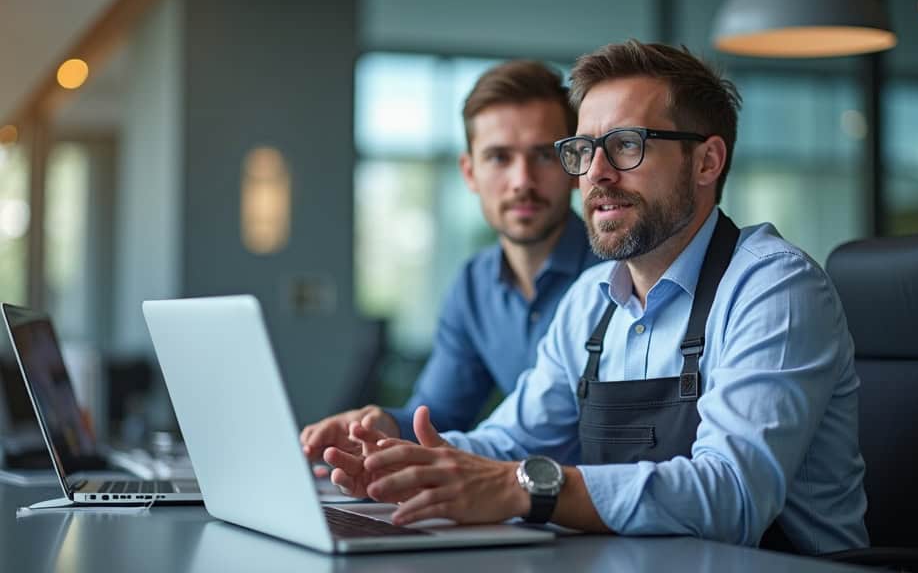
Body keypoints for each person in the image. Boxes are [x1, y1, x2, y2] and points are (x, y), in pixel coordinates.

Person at [324, 41, 869, 554]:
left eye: (627, 145)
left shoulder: (775, 287)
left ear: (706, 162)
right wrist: (409, 466)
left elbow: (731, 495)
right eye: (583, 150)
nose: (596, 174)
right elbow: (511, 442)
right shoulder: (591, 300)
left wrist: (524, 489)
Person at [300, 61, 600, 464]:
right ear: (469, 172)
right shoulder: (474, 286)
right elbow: (436, 417)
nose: (522, 181)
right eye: (498, 157)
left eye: (543, 155)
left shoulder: (616, 275)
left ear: (574, 165)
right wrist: (381, 427)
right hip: (516, 507)